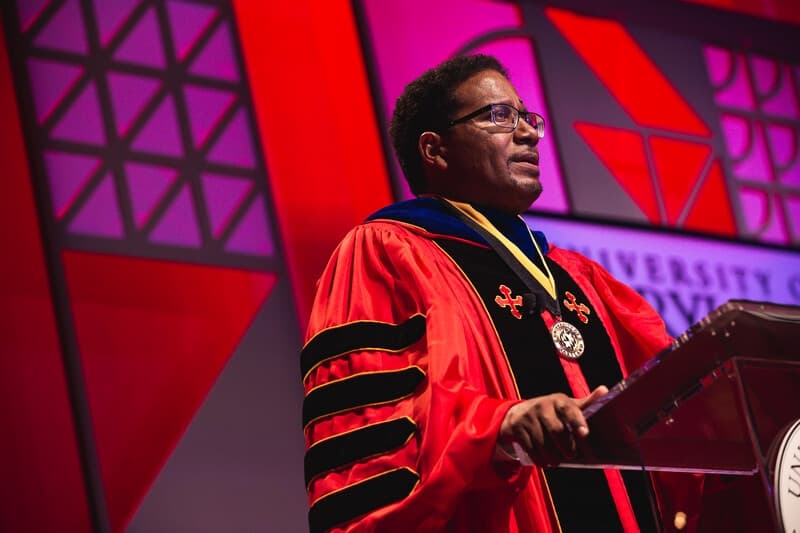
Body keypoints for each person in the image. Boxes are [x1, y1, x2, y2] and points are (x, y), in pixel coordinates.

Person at [301, 54, 702, 532]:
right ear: (435, 150)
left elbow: (677, 405)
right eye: (499, 117)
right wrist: (498, 425)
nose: (530, 133)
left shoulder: (581, 276)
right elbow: (374, 421)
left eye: (528, 118)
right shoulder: (386, 252)